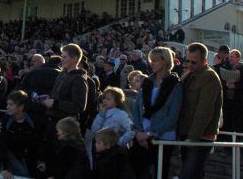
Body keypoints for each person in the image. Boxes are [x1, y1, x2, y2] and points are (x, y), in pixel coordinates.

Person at [131, 46, 182, 179]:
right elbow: (137, 108)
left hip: (162, 137)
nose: (152, 63)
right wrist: (139, 131)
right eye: (151, 60)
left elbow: (173, 115)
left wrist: (150, 134)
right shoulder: (147, 82)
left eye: (156, 60)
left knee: (160, 172)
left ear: (165, 62)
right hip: (142, 134)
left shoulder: (175, 85)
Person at [177, 42, 222, 179]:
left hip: (200, 136)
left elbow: (205, 109)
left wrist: (193, 137)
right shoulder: (188, 75)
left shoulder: (209, 77)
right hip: (187, 133)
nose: (189, 64)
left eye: (194, 62)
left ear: (204, 61)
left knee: (189, 174)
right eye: (187, 60)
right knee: (195, 173)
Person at [87, 87, 134, 168]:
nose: (105, 101)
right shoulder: (101, 113)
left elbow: (131, 130)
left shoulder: (121, 114)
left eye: (108, 99)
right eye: (104, 98)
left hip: (115, 151)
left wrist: (119, 142)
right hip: (101, 149)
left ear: (116, 102)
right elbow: (94, 130)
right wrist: (101, 116)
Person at [0, 90, 40, 179]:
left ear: (21, 107)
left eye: (11, 104)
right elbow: (0, 144)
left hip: (27, 160)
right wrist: (3, 168)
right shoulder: (6, 120)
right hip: (10, 158)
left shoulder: (32, 122)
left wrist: (40, 161)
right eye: (7, 104)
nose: (7, 107)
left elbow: (37, 144)